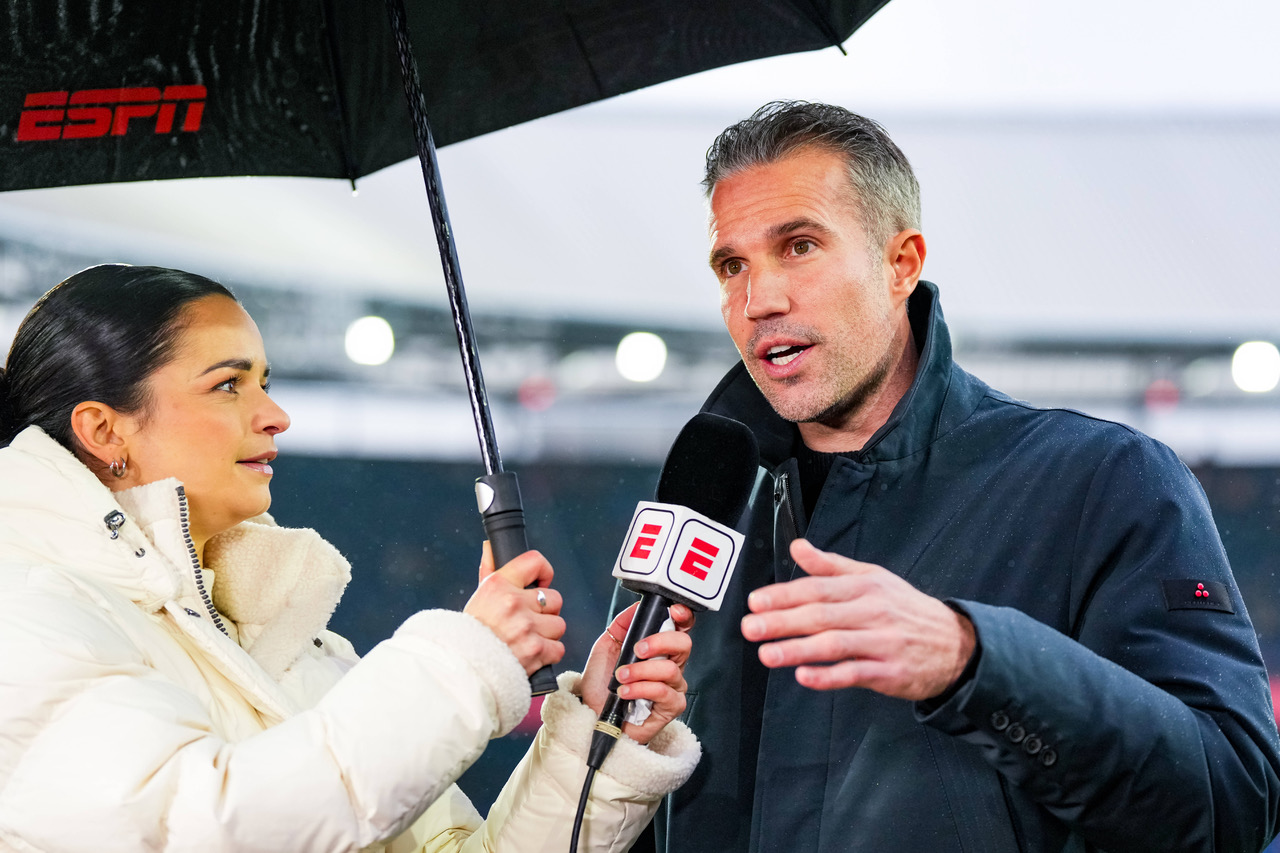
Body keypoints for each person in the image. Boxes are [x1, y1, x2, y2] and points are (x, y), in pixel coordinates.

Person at [636, 101, 1280, 851]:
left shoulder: (1102, 480)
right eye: (732, 266)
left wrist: (972, 661)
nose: (759, 301)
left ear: (902, 264)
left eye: (800, 246)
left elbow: (1232, 800)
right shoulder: (700, 508)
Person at [0, 264, 701, 852]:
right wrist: (464, 661)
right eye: (228, 384)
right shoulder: (25, 610)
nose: (275, 415)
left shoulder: (283, 637)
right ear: (103, 429)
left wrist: (598, 735)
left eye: (265, 382)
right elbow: (205, 827)